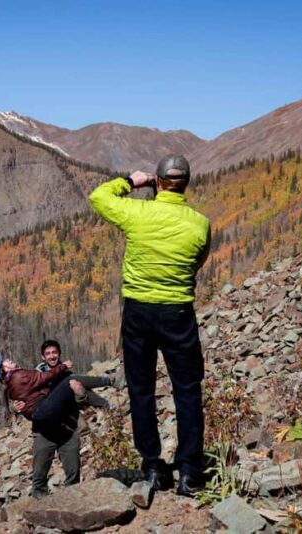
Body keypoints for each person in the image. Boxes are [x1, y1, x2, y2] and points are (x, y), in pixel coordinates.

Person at [88, 154, 211, 497]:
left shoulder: (138, 213)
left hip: (139, 312)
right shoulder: (200, 224)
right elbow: (196, 263)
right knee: (187, 389)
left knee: (141, 389)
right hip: (178, 312)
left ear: (157, 182)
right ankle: (190, 472)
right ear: (185, 184)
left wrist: (131, 181)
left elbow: (98, 197)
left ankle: (154, 467)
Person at [0, 350, 113, 499]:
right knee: (40, 468)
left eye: (55, 353)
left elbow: (80, 401)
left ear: (59, 354)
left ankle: (71, 499)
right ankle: (43, 500)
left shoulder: (63, 375)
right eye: (48, 354)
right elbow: (28, 390)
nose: (52, 356)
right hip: (44, 429)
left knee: (73, 467)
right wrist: (14, 407)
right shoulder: (31, 373)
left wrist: (81, 394)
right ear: (43, 357)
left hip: (66, 425)